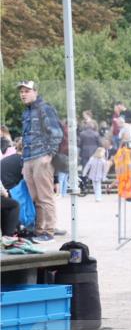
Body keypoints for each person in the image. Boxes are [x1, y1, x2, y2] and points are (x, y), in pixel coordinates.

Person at [17, 80, 62, 241]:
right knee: (35, 197)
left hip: (41, 157)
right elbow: (25, 138)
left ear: (35, 92)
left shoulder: (45, 108)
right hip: (29, 158)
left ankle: (49, 231)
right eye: (21, 91)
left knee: (45, 196)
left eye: (27, 91)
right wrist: (23, 162)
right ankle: (39, 230)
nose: (23, 94)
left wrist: (49, 155)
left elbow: (56, 133)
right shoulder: (26, 112)